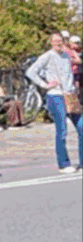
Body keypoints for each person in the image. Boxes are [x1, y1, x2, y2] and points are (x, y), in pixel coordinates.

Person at [27, 31, 81, 173]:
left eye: (60, 41)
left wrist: (72, 87)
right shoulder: (47, 56)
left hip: (70, 95)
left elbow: (72, 70)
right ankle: (63, 164)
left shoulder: (66, 56)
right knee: (62, 130)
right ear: (51, 42)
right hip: (55, 96)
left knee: (81, 127)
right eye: (55, 41)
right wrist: (45, 85)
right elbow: (31, 72)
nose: (58, 43)